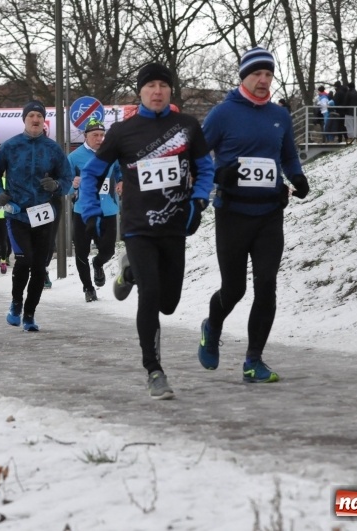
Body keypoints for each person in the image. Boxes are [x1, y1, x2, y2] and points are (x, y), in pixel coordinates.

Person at [77, 63, 214, 399]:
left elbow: (205, 167)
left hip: (174, 226)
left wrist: (198, 201)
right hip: (138, 228)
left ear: (170, 91)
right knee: (151, 298)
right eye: (150, 85)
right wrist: (91, 210)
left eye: (162, 85)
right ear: (140, 91)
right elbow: (94, 174)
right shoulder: (124, 132)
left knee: (169, 303)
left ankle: (129, 273)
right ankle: (154, 370)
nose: (157, 91)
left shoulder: (186, 126)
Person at [197, 46, 308, 384]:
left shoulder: (280, 115)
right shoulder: (222, 113)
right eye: (257, 74)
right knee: (234, 289)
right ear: (244, 77)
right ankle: (212, 325)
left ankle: (253, 360)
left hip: (269, 215)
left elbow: (287, 156)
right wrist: (221, 174)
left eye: (268, 74)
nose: (263, 80)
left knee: (266, 285)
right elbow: (198, 157)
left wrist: (298, 178)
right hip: (232, 214)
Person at [0, 100, 72, 332]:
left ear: (44, 121)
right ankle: (16, 304)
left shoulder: (53, 149)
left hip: (44, 216)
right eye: (31, 115)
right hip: (18, 215)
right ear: (24, 119)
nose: (35, 120)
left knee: (40, 267)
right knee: (24, 260)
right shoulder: (10, 146)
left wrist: (55, 186)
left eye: (39, 116)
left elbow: (67, 180)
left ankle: (30, 314)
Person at [69, 118, 121, 302]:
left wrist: (121, 181)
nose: (99, 139)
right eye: (95, 135)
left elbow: (120, 172)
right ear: (86, 136)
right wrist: (73, 185)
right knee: (81, 251)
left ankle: (98, 263)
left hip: (108, 210)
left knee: (108, 250)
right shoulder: (74, 157)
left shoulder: (111, 155)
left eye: (102, 135)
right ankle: (88, 288)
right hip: (82, 211)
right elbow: (65, 185)